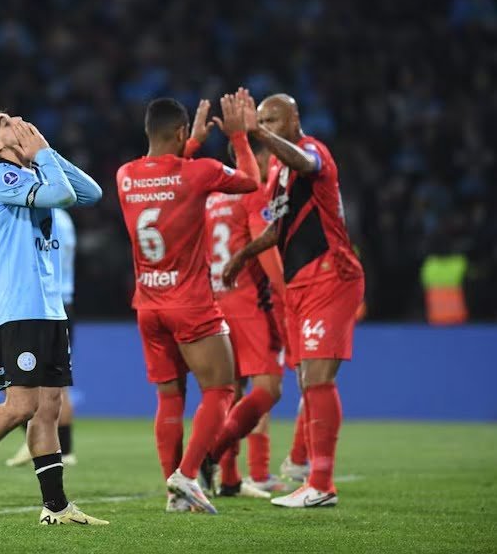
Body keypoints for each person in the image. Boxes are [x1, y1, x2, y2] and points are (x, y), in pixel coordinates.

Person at [0, 105, 107, 527]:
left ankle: (55, 506)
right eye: (3, 123)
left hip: (48, 308)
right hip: (20, 309)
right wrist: (40, 155)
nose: (15, 122)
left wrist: (45, 151)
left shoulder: (32, 172)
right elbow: (65, 196)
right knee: (20, 405)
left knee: (49, 407)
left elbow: (91, 193)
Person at [115, 92, 259, 514]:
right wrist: (239, 137)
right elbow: (251, 182)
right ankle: (188, 474)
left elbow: (163, 175)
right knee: (220, 389)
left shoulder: (124, 175)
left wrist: (188, 143)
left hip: (148, 305)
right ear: (180, 132)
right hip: (191, 303)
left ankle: (173, 492)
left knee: (169, 397)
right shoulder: (200, 172)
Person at [223, 92, 365, 508]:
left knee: (318, 378)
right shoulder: (280, 175)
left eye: (273, 119)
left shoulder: (310, 151)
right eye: (262, 119)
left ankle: (320, 482)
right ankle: (308, 471)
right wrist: (242, 256)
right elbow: (278, 231)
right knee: (308, 379)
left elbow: (307, 164)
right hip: (302, 283)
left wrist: (257, 133)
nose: (266, 125)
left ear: (294, 119)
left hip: (331, 274)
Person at [189, 132, 287, 498]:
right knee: (268, 388)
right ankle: (211, 453)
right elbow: (266, 253)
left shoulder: (211, 196)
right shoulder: (252, 193)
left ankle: (229, 479)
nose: (274, 166)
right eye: (270, 160)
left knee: (232, 392)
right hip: (250, 302)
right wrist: (285, 294)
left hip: (215, 300)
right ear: (257, 158)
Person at [4, 206, 78, 468]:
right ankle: (61, 447)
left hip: (42, 302)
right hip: (63, 302)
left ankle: (51, 445)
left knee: (33, 384)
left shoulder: (34, 216)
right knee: (54, 383)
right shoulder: (65, 219)